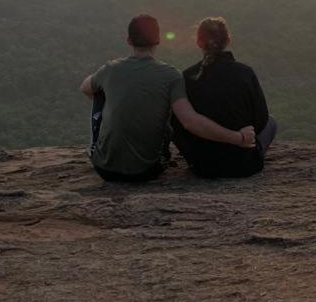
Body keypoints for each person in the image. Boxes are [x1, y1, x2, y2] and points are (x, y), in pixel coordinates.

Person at [80, 13, 256, 183]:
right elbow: (190, 122)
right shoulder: (171, 76)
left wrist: (112, 105)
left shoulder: (110, 69)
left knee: (99, 94)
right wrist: (238, 138)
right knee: (170, 115)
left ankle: (102, 149)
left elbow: (85, 88)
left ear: (128, 40)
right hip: (147, 171)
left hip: (105, 169)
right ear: (158, 40)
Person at [172, 17, 277, 178]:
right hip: (245, 164)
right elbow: (261, 119)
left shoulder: (187, 77)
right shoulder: (245, 73)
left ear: (199, 42)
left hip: (204, 165)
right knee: (271, 122)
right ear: (227, 40)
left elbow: (179, 123)